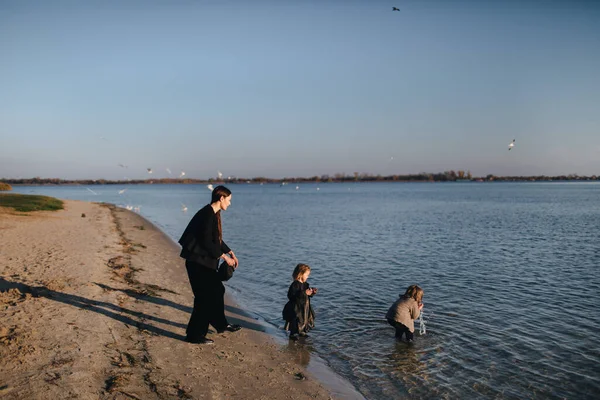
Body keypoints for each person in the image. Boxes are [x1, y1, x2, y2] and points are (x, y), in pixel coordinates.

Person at [178, 185, 241, 344]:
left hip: (203, 263)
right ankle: (195, 335)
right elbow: (206, 241)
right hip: (198, 263)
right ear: (221, 198)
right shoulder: (207, 214)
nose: (230, 204)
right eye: (229, 200)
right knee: (204, 298)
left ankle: (220, 325)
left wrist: (229, 251)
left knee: (216, 291)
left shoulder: (212, 213)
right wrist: (224, 257)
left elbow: (215, 239)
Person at [282, 263, 317, 340]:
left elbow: (307, 295)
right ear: (301, 274)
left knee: (304, 319)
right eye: (307, 275)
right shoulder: (295, 285)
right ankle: (293, 333)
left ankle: (302, 331)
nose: (308, 276)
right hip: (296, 307)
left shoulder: (305, 284)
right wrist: (304, 293)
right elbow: (291, 296)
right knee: (296, 319)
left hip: (304, 306)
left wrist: (312, 293)